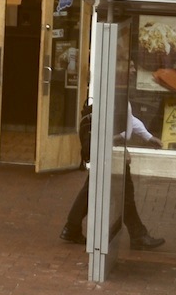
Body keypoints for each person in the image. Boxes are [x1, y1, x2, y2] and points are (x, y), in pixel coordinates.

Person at [60, 103, 165, 250]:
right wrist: (119, 144)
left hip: (111, 150)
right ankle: (138, 235)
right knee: (124, 194)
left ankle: (71, 227)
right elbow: (110, 126)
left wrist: (147, 137)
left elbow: (129, 118)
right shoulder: (114, 96)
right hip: (110, 152)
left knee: (92, 190)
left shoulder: (122, 99)